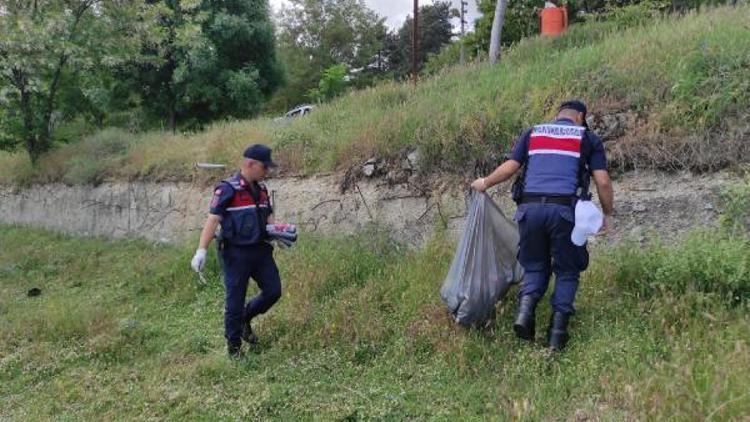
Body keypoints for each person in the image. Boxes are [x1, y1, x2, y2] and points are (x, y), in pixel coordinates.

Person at [471, 100, 614, 351]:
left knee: (535, 266)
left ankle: (524, 315)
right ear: (580, 117)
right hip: (564, 213)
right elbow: (602, 181)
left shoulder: (534, 132)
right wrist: (607, 213)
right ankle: (557, 336)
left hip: (530, 210)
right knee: (567, 270)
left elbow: (511, 168)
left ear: (558, 116)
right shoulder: (587, 138)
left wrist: (484, 182)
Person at [191, 144, 282, 358]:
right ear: (250, 164)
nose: (267, 171)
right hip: (235, 254)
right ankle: (234, 349)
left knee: (273, 290)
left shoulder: (262, 190)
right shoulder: (227, 189)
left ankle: (245, 318)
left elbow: (268, 215)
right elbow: (213, 219)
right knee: (235, 299)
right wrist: (201, 251)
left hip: (260, 251)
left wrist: (279, 233)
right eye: (264, 167)